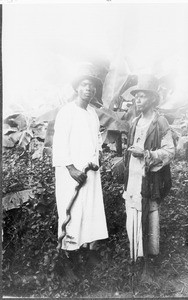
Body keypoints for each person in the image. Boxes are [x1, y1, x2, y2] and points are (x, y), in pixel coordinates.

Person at [52, 63, 108, 272]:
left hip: (91, 172)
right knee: (71, 211)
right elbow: (59, 143)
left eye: (92, 86)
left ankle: (89, 252)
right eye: (85, 85)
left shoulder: (93, 113)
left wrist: (96, 159)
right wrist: (71, 168)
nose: (89, 89)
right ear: (77, 87)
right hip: (71, 173)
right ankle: (68, 257)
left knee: (91, 210)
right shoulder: (66, 112)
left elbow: (96, 140)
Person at [123, 74, 175, 281]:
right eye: (136, 97)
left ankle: (148, 266)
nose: (138, 100)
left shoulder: (160, 122)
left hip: (150, 178)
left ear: (152, 99)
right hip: (133, 178)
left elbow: (170, 151)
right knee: (134, 217)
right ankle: (136, 260)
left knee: (148, 218)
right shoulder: (135, 122)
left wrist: (146, 154)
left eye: (142, 97)